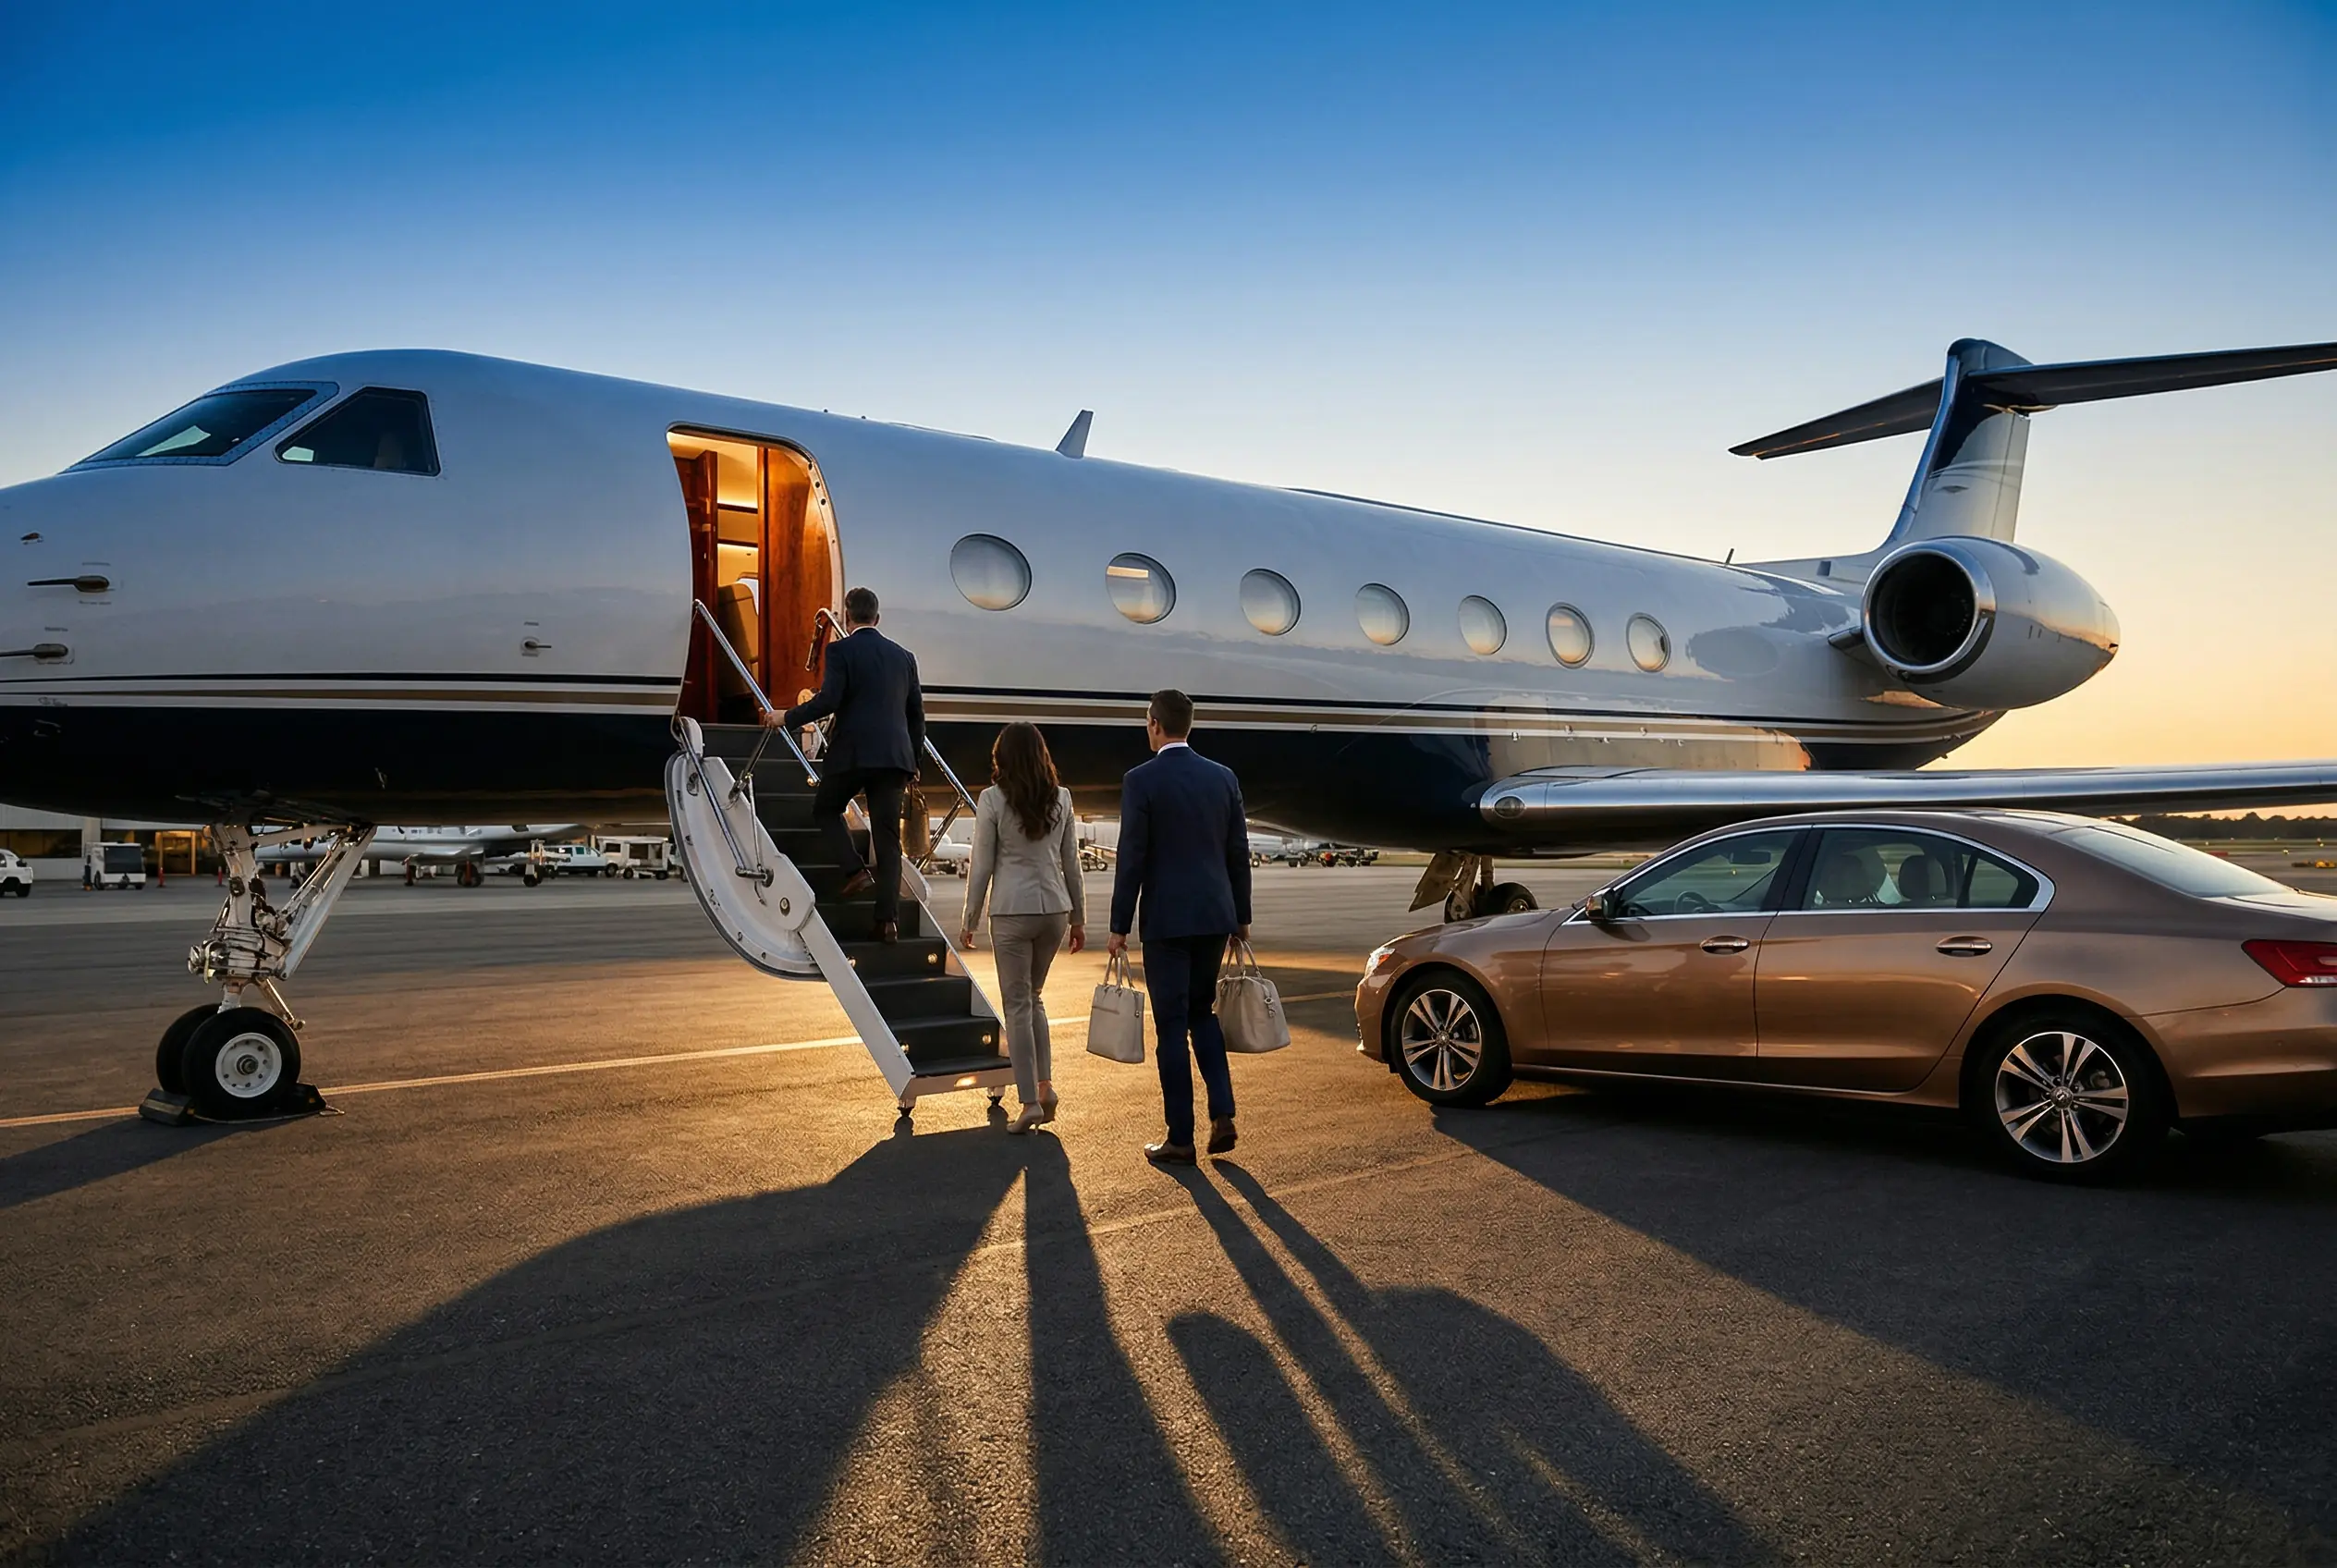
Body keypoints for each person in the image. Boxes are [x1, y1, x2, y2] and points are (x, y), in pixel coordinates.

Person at [1107, 689, 1253, 1165]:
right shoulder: (1223, 778)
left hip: (1167, 921)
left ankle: (1180, 1138)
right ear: (1189, 725)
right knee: (1202, 1013)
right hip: (1214, 914)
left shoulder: (1141, 781)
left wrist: (1118, 925)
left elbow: (1132, 858)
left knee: (1170, 1027)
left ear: (1154, 725)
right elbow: (1237, 854)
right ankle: (1224, 1112)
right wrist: (1241, 917)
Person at [768, 586, 924, 942]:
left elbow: (828, 701)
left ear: (846, 618)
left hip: (854, 753)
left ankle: (855, 870)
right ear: (878, 618)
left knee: (826, 810)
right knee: (887, 840)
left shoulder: (840, 650)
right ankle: (887, 922)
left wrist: (786, 717)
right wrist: (913, 760)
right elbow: (916, 715)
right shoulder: (905, 657)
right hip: (895, 758)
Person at [959, 722, 1086, 1133]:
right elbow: (1072, 865)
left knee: (1016, 1005)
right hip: (1054, 911)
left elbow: (981, 864)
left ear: (1002, 758)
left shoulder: (992, 800)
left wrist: (969, 918)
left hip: (1012, 911)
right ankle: (1045, 1087)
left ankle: (1029, 1101)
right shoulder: (1062, 799)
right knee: (1034, 998)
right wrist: (1079, 917)